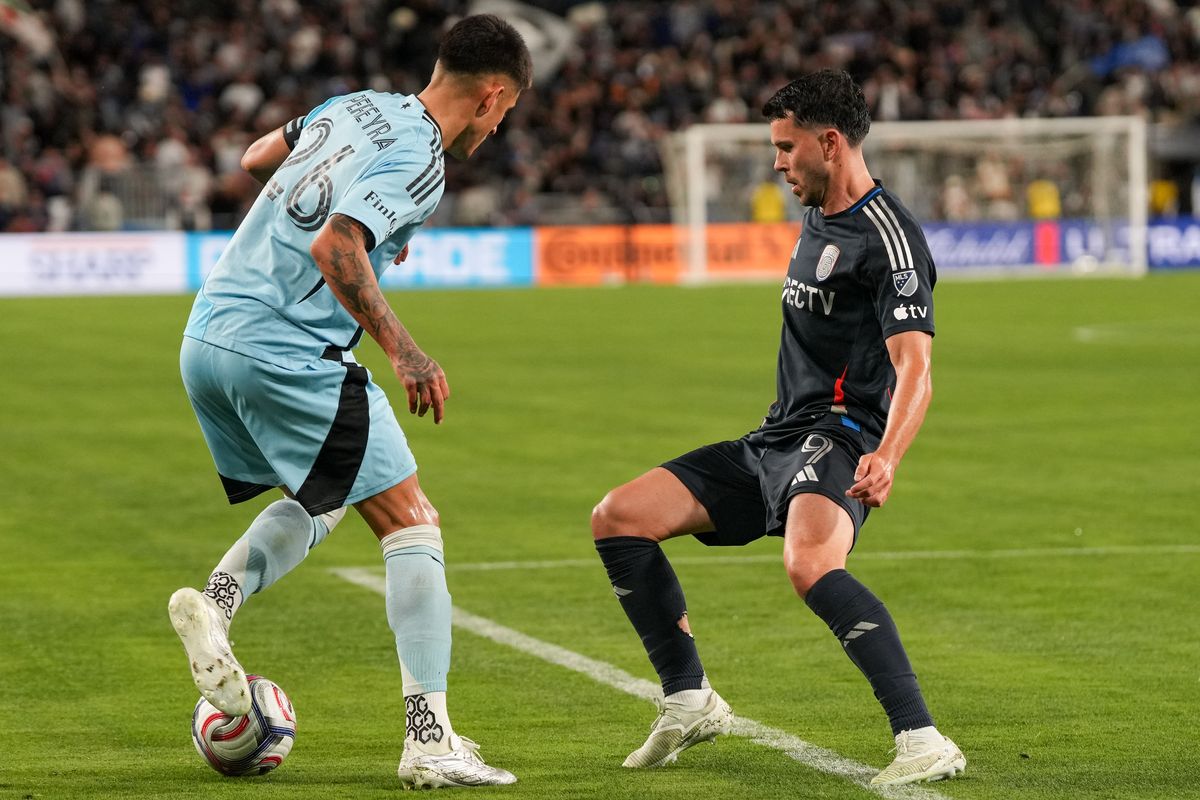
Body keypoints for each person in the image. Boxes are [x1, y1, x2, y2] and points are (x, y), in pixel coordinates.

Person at [168, 15, 532, 789]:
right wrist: (407, 351)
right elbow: (336, 246)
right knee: (412, 521)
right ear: (492, 95)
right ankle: (429, 740)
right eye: (505, 114)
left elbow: (257, 154)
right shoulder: (422, 155)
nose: (499, 129)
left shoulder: (355, 103)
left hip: (208, 334)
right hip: (284, 350)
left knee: (327, 497)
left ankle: (216, 604)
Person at [592, 69, 966, 787]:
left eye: (786, 147)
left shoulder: (890, 240)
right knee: (619, 518)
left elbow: (915, 367)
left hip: (844, 435)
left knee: (810, 564)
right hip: (776, 437)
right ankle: (689, 699)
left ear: (830, 142)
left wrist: (888, 455)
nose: (777, 163)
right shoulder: (819, 209)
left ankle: (922, 737)